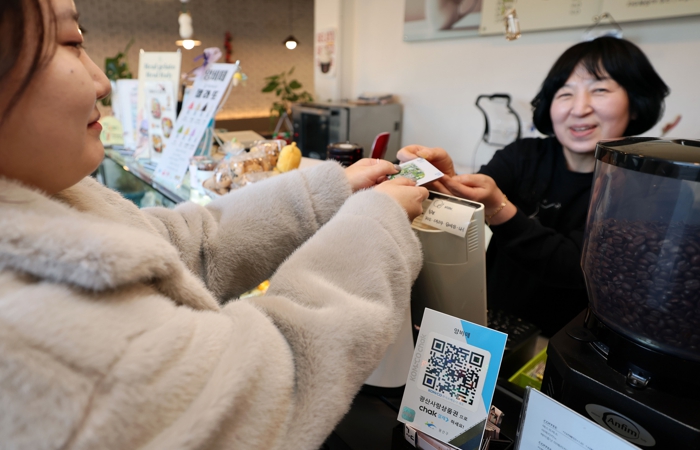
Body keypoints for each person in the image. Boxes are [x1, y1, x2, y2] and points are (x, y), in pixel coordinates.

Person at [0, 0, 429, 449]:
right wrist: (377, 222)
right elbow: (260, 391)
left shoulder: (52, 197)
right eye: (71, 42)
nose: (102, 82)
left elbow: (188, 245)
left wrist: (327, 191)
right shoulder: (33, 333)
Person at [399, 37, 669, 336]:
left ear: (635, 102)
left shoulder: (646, 187)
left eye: (600, 90)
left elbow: (575, 266)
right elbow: (465, 205)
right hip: (496, 325)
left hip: (573, 342)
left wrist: (499, 209)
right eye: (565, 93)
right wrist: (439, 177)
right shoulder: (523, 155)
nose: (579, 108)